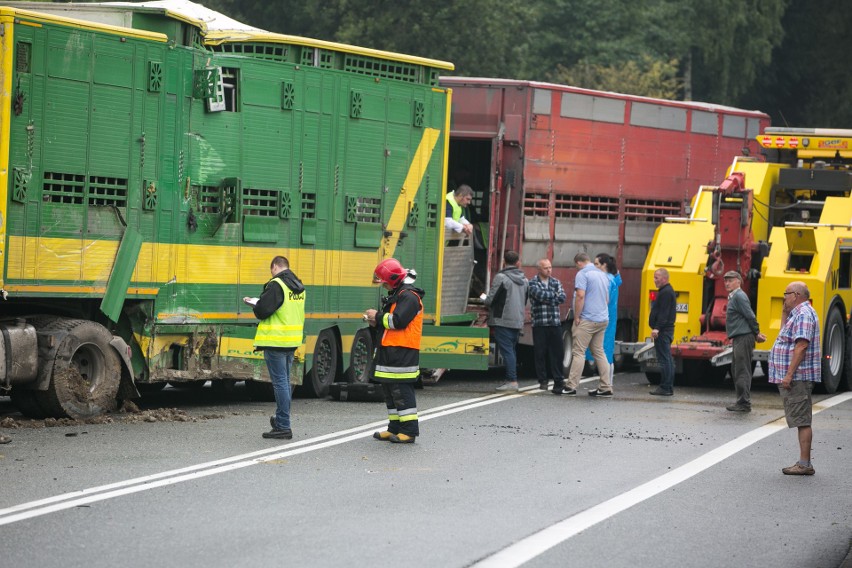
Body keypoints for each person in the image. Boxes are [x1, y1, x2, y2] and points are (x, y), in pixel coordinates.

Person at [244, 256, 306, 440]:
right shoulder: (298, 285)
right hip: (291, 340)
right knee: (284, 383)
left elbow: (263, 310)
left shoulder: (277, 284)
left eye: (271, 270)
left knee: (280, 384)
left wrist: (254, 303)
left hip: (276, 341)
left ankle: (283, 425)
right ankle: (281, 420)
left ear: (275, 267)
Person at [366, 259, 425, 444]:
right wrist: (376, 321)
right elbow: (391, 322)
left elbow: (397, 321)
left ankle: (409, 431)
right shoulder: (399, 294)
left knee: (401, 392)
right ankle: (394, 428)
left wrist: (377, 316)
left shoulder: (409, 296)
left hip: (402, 353)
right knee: (390, 392)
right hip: (392, 351)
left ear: (392, 279)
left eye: (384, 281)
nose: (382, 285)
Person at [768, 281, 821, 475]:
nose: (784, 297)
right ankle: (803, 462)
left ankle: (805, 464)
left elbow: (801, 346)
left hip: (798, 377)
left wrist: (789, 375)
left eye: (786, 293)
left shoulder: (804, 315)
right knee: (800, 419)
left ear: (796, 295)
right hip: (794, 376)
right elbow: (784, 336)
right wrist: (783, 312)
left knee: (802, 420)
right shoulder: (796, 314)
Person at [564, 252, 611, 397]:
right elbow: (607, 299)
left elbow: (580, 296)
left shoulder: (582, 274)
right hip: (602, 319)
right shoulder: (603, 274)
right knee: (599, 351)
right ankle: (605, 386)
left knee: (578, 352)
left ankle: (571, 386)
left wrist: (577, 316)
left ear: (578, 263)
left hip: (587, 319)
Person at [484, 250, 529, 391]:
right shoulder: (525, 280)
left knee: (507, 351)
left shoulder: (501, 278)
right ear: (518, 263)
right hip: (517, 320)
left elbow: (491, 299)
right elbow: (525, 300)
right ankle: (512, 378)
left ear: (504, 261)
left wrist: (484, 299)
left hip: (502, 320)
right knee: (511, 350)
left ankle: (512, 381)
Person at [723, 270, 766, 412]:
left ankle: (744, 403)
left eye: (730, 280)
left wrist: (756, 332)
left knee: (742, 370)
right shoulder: (734, 296)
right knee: (736, 369)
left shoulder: (739, 296)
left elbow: (750, 315)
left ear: (739, 281)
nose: (727, 283)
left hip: (743, 337)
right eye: (725, 280)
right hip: (739, 337)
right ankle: (741, 401)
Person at [528, 258, 567, 391]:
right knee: (540, 353)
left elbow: (562, 297)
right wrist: (553, 297)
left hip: (554, 322)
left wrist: (548, 298)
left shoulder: (556, 282)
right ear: (539, 269)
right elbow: (538, 295)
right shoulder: (532, 282)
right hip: (540, 323)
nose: (549, 270)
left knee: (557, 353)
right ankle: (543, 380)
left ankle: (558, 380)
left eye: (550, 267)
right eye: (546, 268)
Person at [585, 253, 622, 384]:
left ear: (604, 265)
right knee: (607, 351)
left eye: (596, 264)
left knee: (601, 352)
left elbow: (603, 300)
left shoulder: (605, 280)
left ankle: (606, 384)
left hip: (601, 317)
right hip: (610, 318)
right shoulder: (614, 278)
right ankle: (608, 383)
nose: (594, 267)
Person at [648, 268, 676, 397]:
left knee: (664, 359)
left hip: (663, 331)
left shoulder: (666, 292)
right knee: (667, 359)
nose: (654, 280)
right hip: (665, 330)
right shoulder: (666, 291)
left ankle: (665, 387)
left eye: (657, 277)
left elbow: (664, 313)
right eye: (654, 277)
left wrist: (657, 328)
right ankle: (667, 386)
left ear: (664, 278)